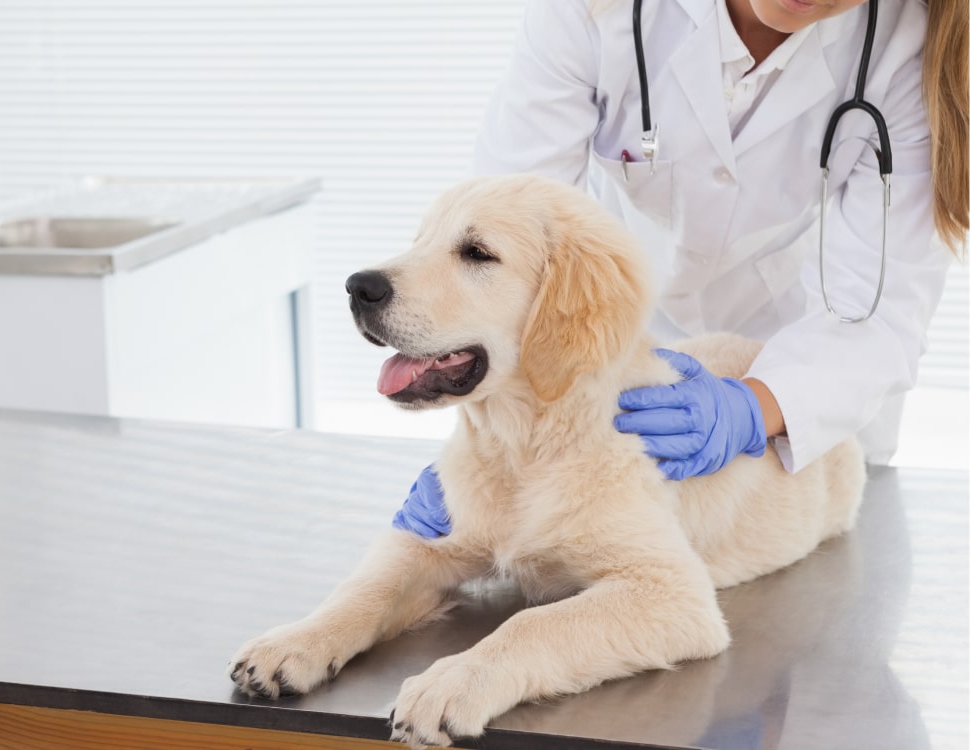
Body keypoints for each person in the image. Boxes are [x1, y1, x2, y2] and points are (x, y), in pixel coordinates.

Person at [393, 0, 969, 536]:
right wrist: (486, 456)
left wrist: (751, 410)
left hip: (804, 375)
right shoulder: (592, 11)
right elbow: (508, 239)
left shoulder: (906, 47)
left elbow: (882, 308)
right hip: (616, 361)